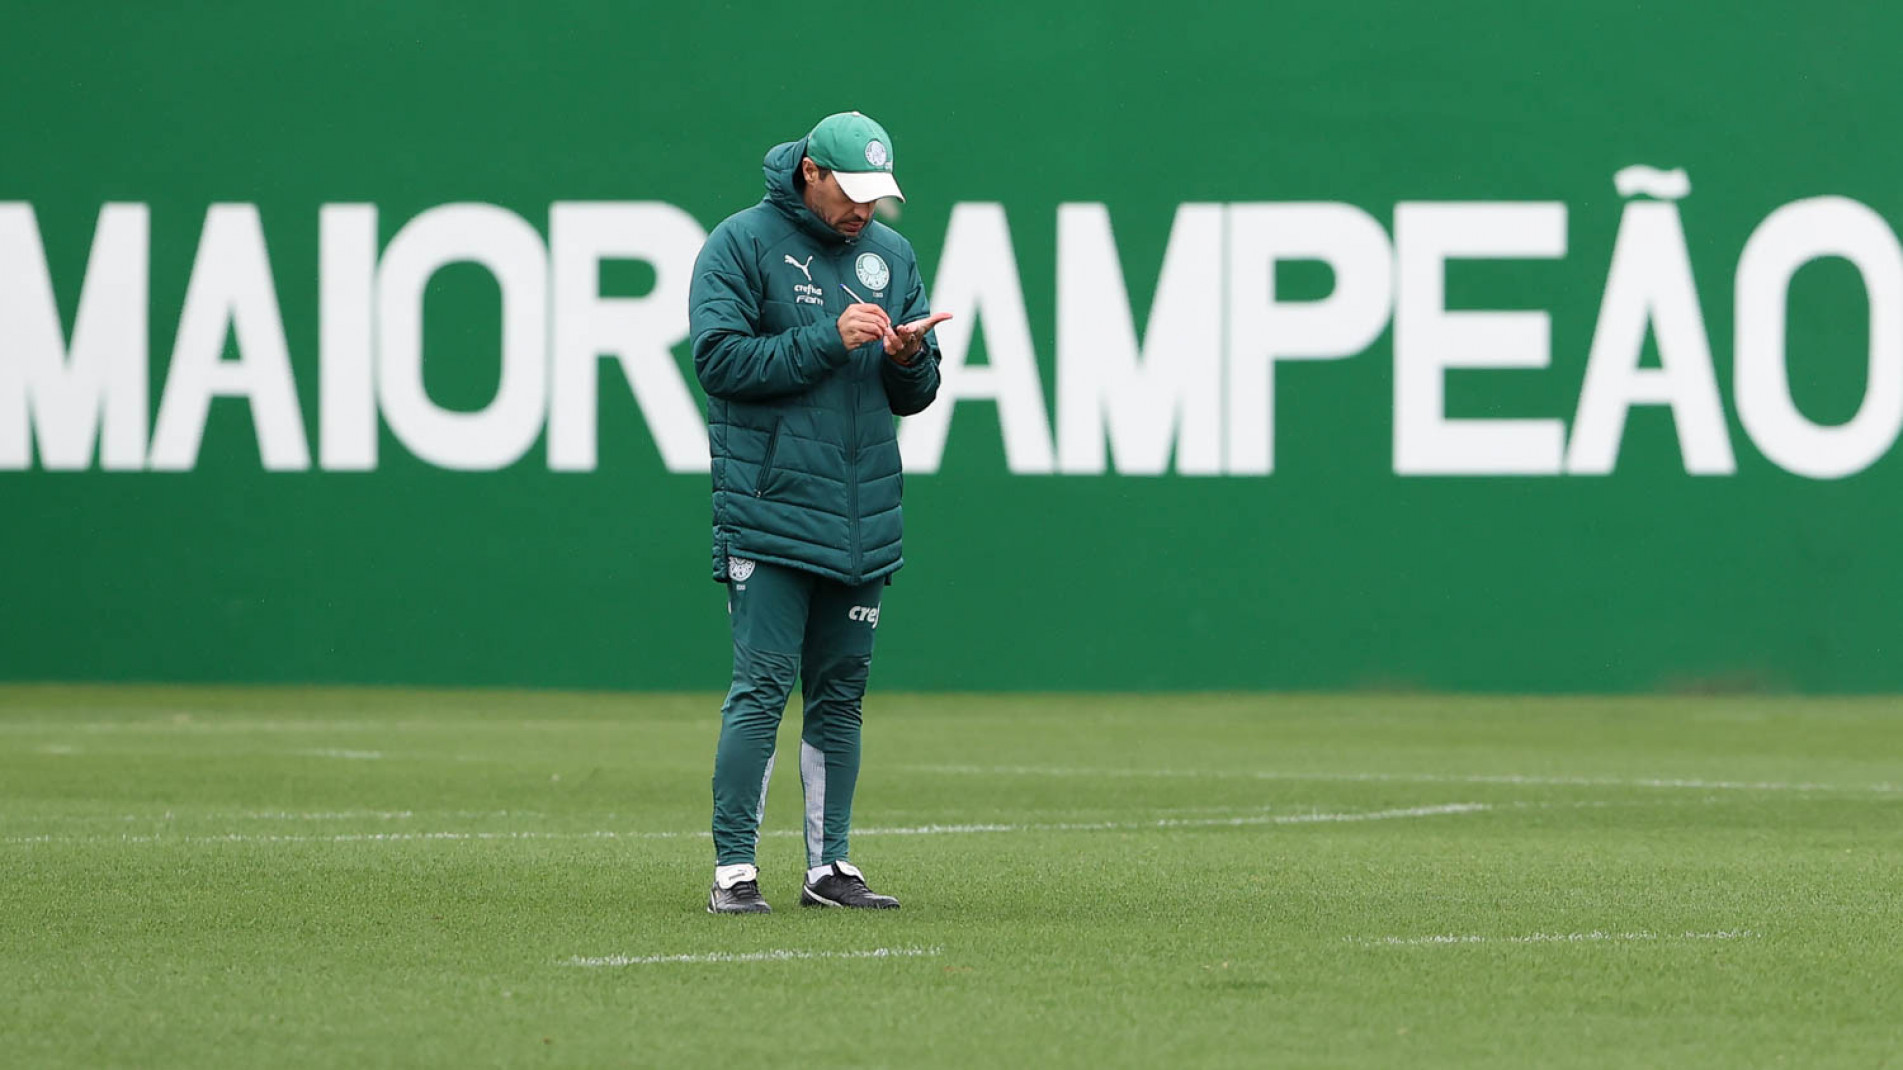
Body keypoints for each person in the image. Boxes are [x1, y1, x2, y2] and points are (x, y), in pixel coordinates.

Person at [687, 111, 949, 914]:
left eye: (878, 194)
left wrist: (908, 360)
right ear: (811, 172)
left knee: (840, 695)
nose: (865, 210)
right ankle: (735, 870)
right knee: (761, 686)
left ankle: (829, 867)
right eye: (853, 191)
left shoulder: (891, 255)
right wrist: (828, 340)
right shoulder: (739, 243)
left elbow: (917, 393)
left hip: (859, 518)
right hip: (768, 512)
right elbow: (719, 361)